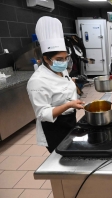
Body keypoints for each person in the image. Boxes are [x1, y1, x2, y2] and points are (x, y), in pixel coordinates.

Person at [27, 16, 85, 153]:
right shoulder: (37, 81)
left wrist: (72, 82)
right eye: (59, 59)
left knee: (73, 153)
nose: (64, 62)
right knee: (61, 159)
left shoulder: (60, 69)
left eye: (66, 58)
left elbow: (61, 85)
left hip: (69, 120)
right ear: (46, 58)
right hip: (54, 128)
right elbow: (42, 113)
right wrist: (69, 105)